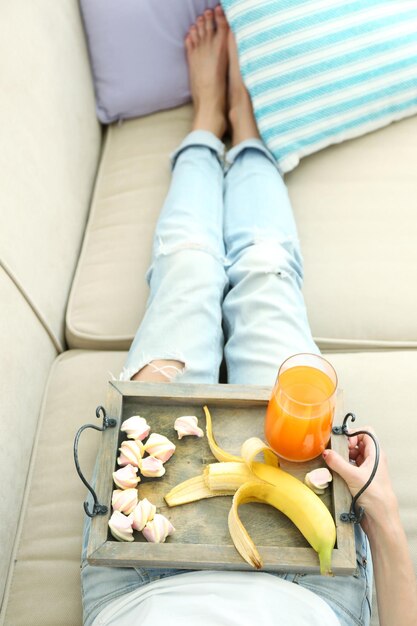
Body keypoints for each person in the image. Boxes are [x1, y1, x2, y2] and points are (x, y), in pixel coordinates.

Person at [81, 7, 417, 626]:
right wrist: (386, 517)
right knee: (265, 273)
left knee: (187, 270)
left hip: (135, 576)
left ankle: (208, 126)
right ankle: (251, 137)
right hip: (313, 581)